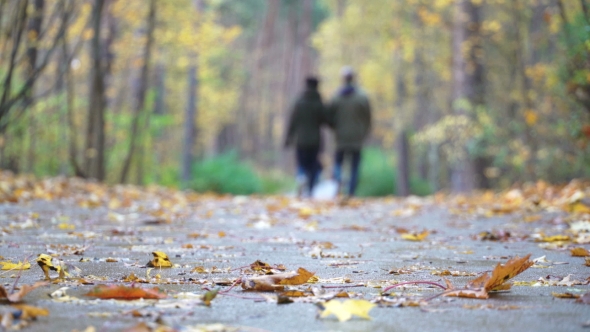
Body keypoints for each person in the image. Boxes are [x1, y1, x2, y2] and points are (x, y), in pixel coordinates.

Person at [326, 66, 372, 198]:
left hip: (340, 137)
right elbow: (368, 118)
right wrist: (364, 132)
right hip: (356, 137)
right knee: (354, 167)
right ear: (354, 78)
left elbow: (329, 116)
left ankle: (339, 186)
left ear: (343, 79)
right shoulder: (362, 97)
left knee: (338, 164)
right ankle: (351, 192)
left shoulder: (336, 97)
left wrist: (334, 127)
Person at [284, 77, 326, 197]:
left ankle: (301, 178)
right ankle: (310, 190)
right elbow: (325, 119)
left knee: (301, 163)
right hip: (315, 141)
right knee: (312, 165)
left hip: (301, 140)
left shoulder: (299, 102)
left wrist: (288, 138)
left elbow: (293, 122)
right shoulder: (318, 103)